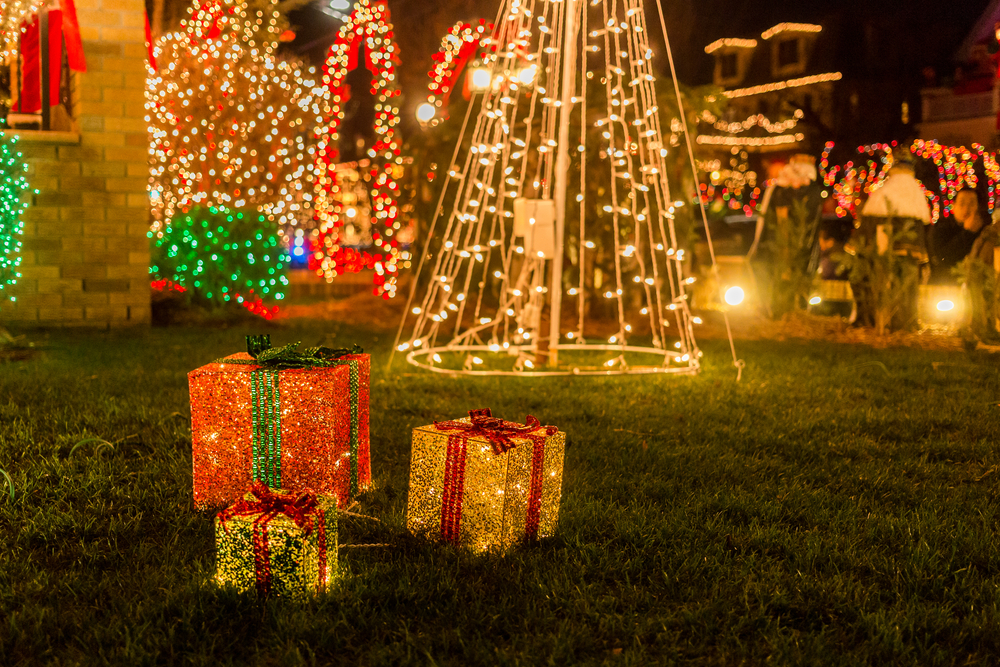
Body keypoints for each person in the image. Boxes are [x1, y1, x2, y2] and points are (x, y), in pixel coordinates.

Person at [930, 188, 987, 282]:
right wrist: (967, 232)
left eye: (971, 204)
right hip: (945, 285)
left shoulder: (984, 231)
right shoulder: (941, 227)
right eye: (962, 203)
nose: (966, 209)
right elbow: (942, 258)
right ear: (954, 206)